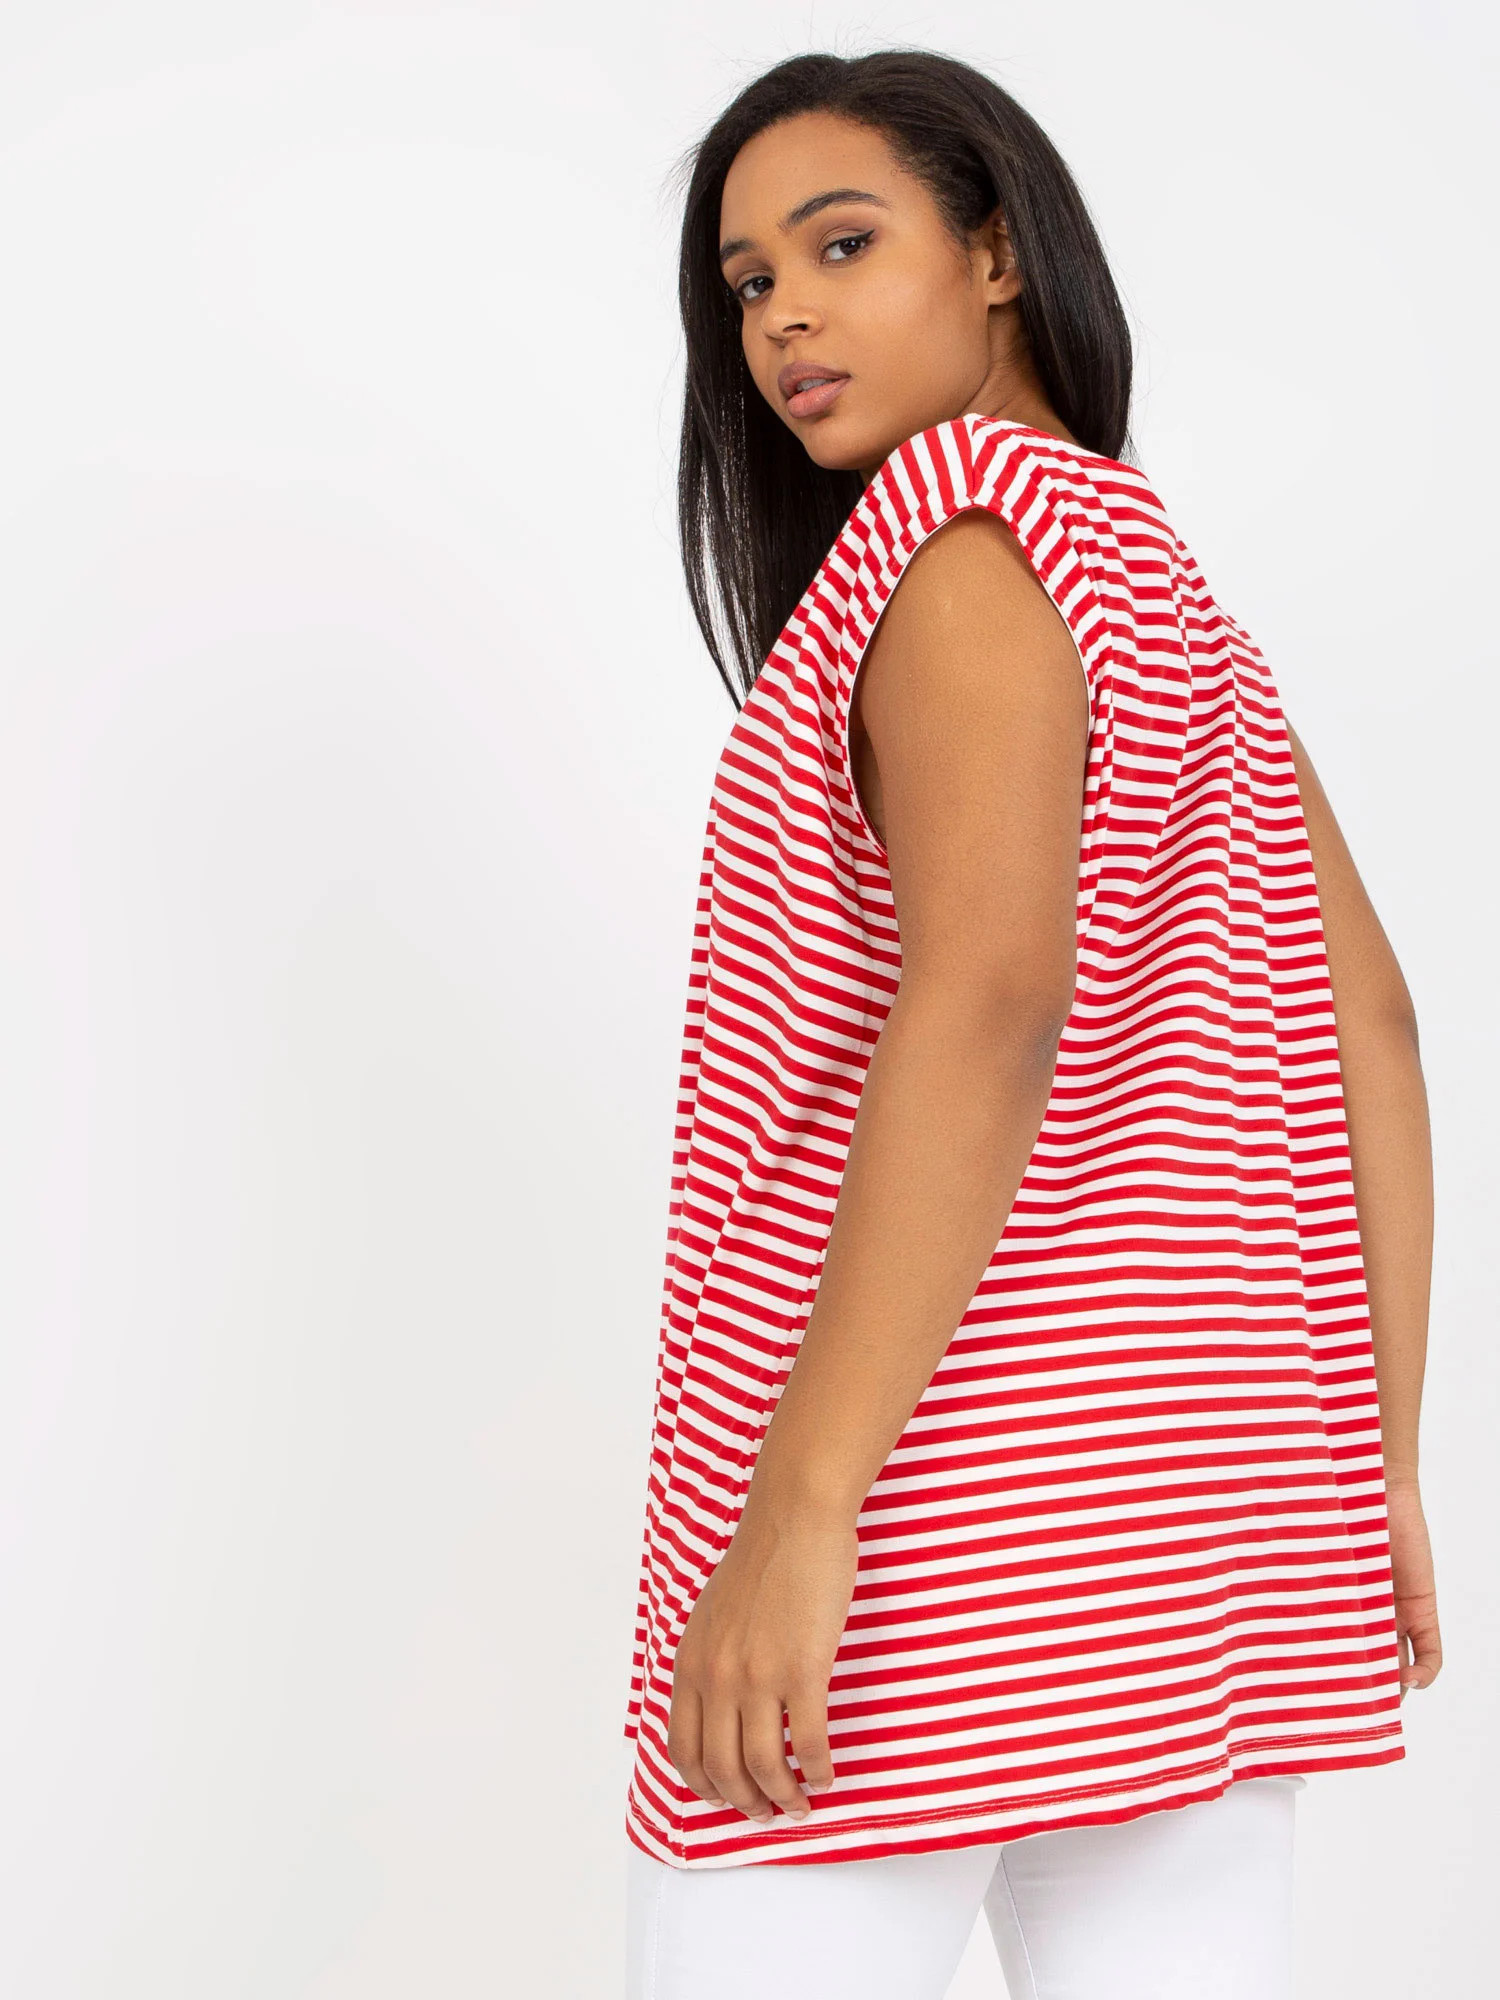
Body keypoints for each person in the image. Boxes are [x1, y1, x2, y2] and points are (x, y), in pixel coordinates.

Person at [619, 47, 1442, 2000]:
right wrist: (1381, 1468)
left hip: (916, 1554)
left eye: (841, 244)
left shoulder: (954, 546)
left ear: (996, 252)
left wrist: (800, 1511)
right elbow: (1376, 1027)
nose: (784, 316)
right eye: (748, 283)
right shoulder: (1166, 588)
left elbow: (988, 1000)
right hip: (1200, 1547)